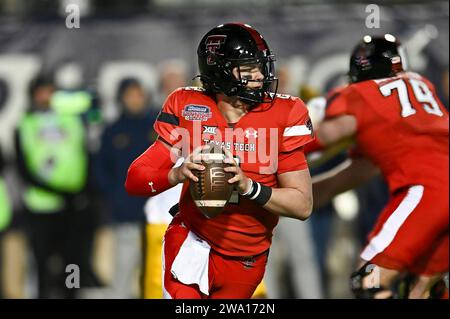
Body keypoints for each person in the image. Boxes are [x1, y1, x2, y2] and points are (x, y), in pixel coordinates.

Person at [126, 23, 314, 299]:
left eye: (260, 66)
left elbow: (302, 205)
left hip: (248, 255)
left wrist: (249, 186)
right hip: (192, 239)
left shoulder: (284, 112)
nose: (260, 75)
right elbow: (135, 179)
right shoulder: (188, 106)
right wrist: (176, 175)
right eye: (248, 68)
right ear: (221, 71)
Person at [310, 34, 449, 299]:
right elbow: (356, 172)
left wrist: (274, 146)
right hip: (437, 189)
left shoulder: (360, 94)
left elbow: (320, 137)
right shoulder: (422, 87)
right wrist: (300, 195)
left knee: (368, 280)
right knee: (422, 288)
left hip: (428, 190)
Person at [15, 75, 101, 298]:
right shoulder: (25, 124)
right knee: (43, 262)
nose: (47, 97)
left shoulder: (73, 120)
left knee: (72, 263)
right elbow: (23, 169)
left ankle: (71, 295)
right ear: (33, 95)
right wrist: (58, 192)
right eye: (42, 92)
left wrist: (81, 194)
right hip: (41, 207)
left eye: (51, 92)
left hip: (73, 207)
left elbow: (88, 150)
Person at [94, 78, 158, 298]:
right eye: (130, 95)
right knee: (123, 272)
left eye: (139, 94)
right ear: (121, 98)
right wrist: (116, 196)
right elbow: (101, 170)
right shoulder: (112, 131)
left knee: (157, 276)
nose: (135, 99)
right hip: (126, 215)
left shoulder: (158, 128)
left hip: (158, 216)